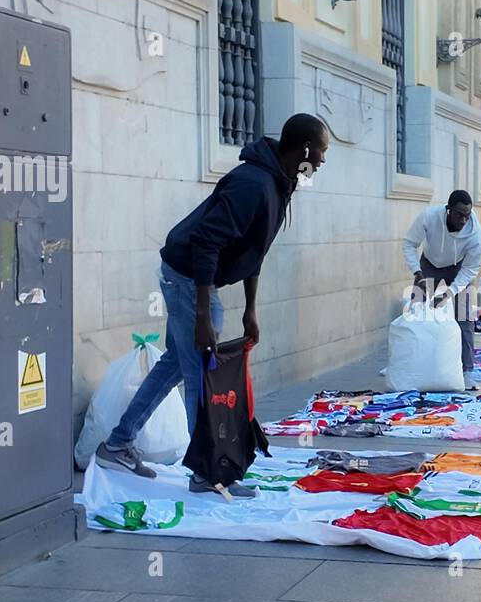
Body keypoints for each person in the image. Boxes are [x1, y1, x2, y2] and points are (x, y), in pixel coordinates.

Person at [96, 113, 330, 489]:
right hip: (188, 276)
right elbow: (206, 242)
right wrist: (203, 316)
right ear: (304, 147)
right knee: (201, 376)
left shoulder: (280, 182)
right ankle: (208, 473)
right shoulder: (253, 184)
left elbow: (256, 251)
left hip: (192, 278)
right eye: (320, 151)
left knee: (176, 364)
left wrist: (251, 309)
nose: (321, 160)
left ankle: (118, 443)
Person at [402, 190, 481, 389]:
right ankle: (406, 363)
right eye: (459, 214)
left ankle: (467, 371)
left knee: (464, 318)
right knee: (416, 313)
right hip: (429, 264)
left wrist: (450, 293)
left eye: (467, 215)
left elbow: (471, 268)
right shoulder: (429, 217)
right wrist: (417, 273)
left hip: (458, 267)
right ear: (448, 210)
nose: (464, 220)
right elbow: (409, 244)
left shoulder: (476, 234)